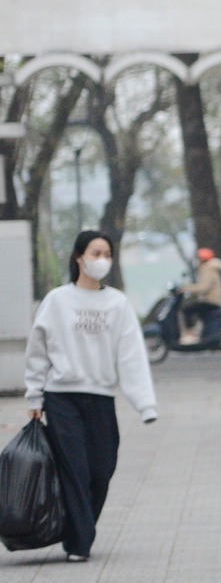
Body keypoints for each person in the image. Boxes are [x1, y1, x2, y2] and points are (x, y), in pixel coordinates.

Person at [22, 231, 158, 561]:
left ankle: (76, 531)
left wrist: (144, 403)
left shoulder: (117, 303)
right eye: (96, 253)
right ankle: (80, 543)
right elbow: (37, 350)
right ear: (79, 257)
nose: (102, 260)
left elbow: (131, 355)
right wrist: (34, 397)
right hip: (62, 397)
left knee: (101, 470)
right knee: (75, 471)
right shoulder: (57, 300)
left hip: (100, 397)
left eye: (107, 254)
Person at [178, 246, 221, 342]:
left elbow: (204, 287)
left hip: (211, 301)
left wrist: (186, 288)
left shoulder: (207, 269)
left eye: (198, 258)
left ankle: (190, 334)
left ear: (202, 259)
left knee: (188, 310)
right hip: (212, 300)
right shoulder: (210, 268)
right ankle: (201, 335)